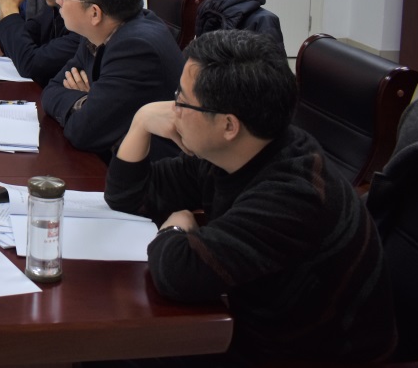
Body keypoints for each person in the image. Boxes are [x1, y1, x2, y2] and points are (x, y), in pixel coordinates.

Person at [105, 30, 395, 365]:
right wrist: (141, 120)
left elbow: (178, 273)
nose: (172, 110)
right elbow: (127, 195)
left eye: (181, 101)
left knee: (117, 349)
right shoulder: (236, 150)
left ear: (229, 125)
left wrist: (177, 227)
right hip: (253, 327)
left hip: (302, 356)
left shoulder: (293, 196)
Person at [41, 0, 184, 160]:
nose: (59, 0)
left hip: (149, 171)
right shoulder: (99, 30)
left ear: (94, 13)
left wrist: (90, 104)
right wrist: (87, 102)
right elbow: (52, 89)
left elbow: (83, 132)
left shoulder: (136, 50)